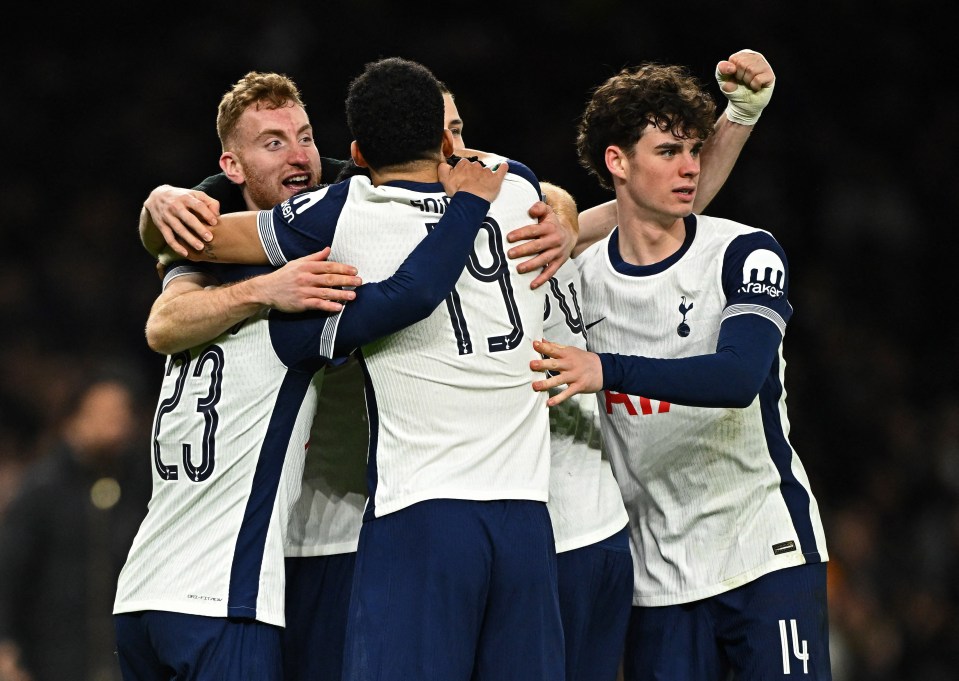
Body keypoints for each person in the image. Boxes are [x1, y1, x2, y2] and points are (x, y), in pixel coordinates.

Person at [137, 70, 575, 681]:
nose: (300, 155)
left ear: (357, 155)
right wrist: (564, 215)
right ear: (445, 144)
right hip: (521, 510)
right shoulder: (511, 188)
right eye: (274, 143)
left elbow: (188, 250)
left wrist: (158, 207)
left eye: (308, 137)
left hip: (390, 519)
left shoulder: (341, 212)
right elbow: (547, 191)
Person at [530, 60, 831, 680]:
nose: (690, 166)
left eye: (695, 150)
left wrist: (604, 369)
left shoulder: (744, 252)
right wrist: (565, 222)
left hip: (764, 553)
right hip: (657, 577)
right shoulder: (580, 283)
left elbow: (737, 379)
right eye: (667, 151)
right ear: (618, 161)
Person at [0, 366, 152, 681]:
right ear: (73, 419)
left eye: (122, 413)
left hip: (122, 662)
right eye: (103, 413)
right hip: (52, 661)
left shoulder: (142, 486)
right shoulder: (42, 488)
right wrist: (5, 647)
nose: (115, 424)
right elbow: (9, 572)